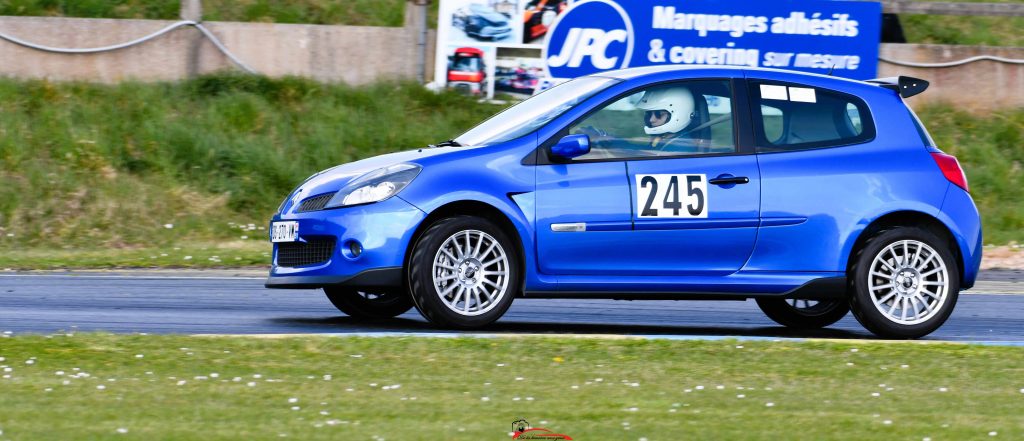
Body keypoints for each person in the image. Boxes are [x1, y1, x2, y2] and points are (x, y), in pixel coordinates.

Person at [635, 86, 709, 151]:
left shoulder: (679, 148)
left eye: (659, 114)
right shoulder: (664, 138)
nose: (651, 120)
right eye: (649, 114)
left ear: (680, 115)